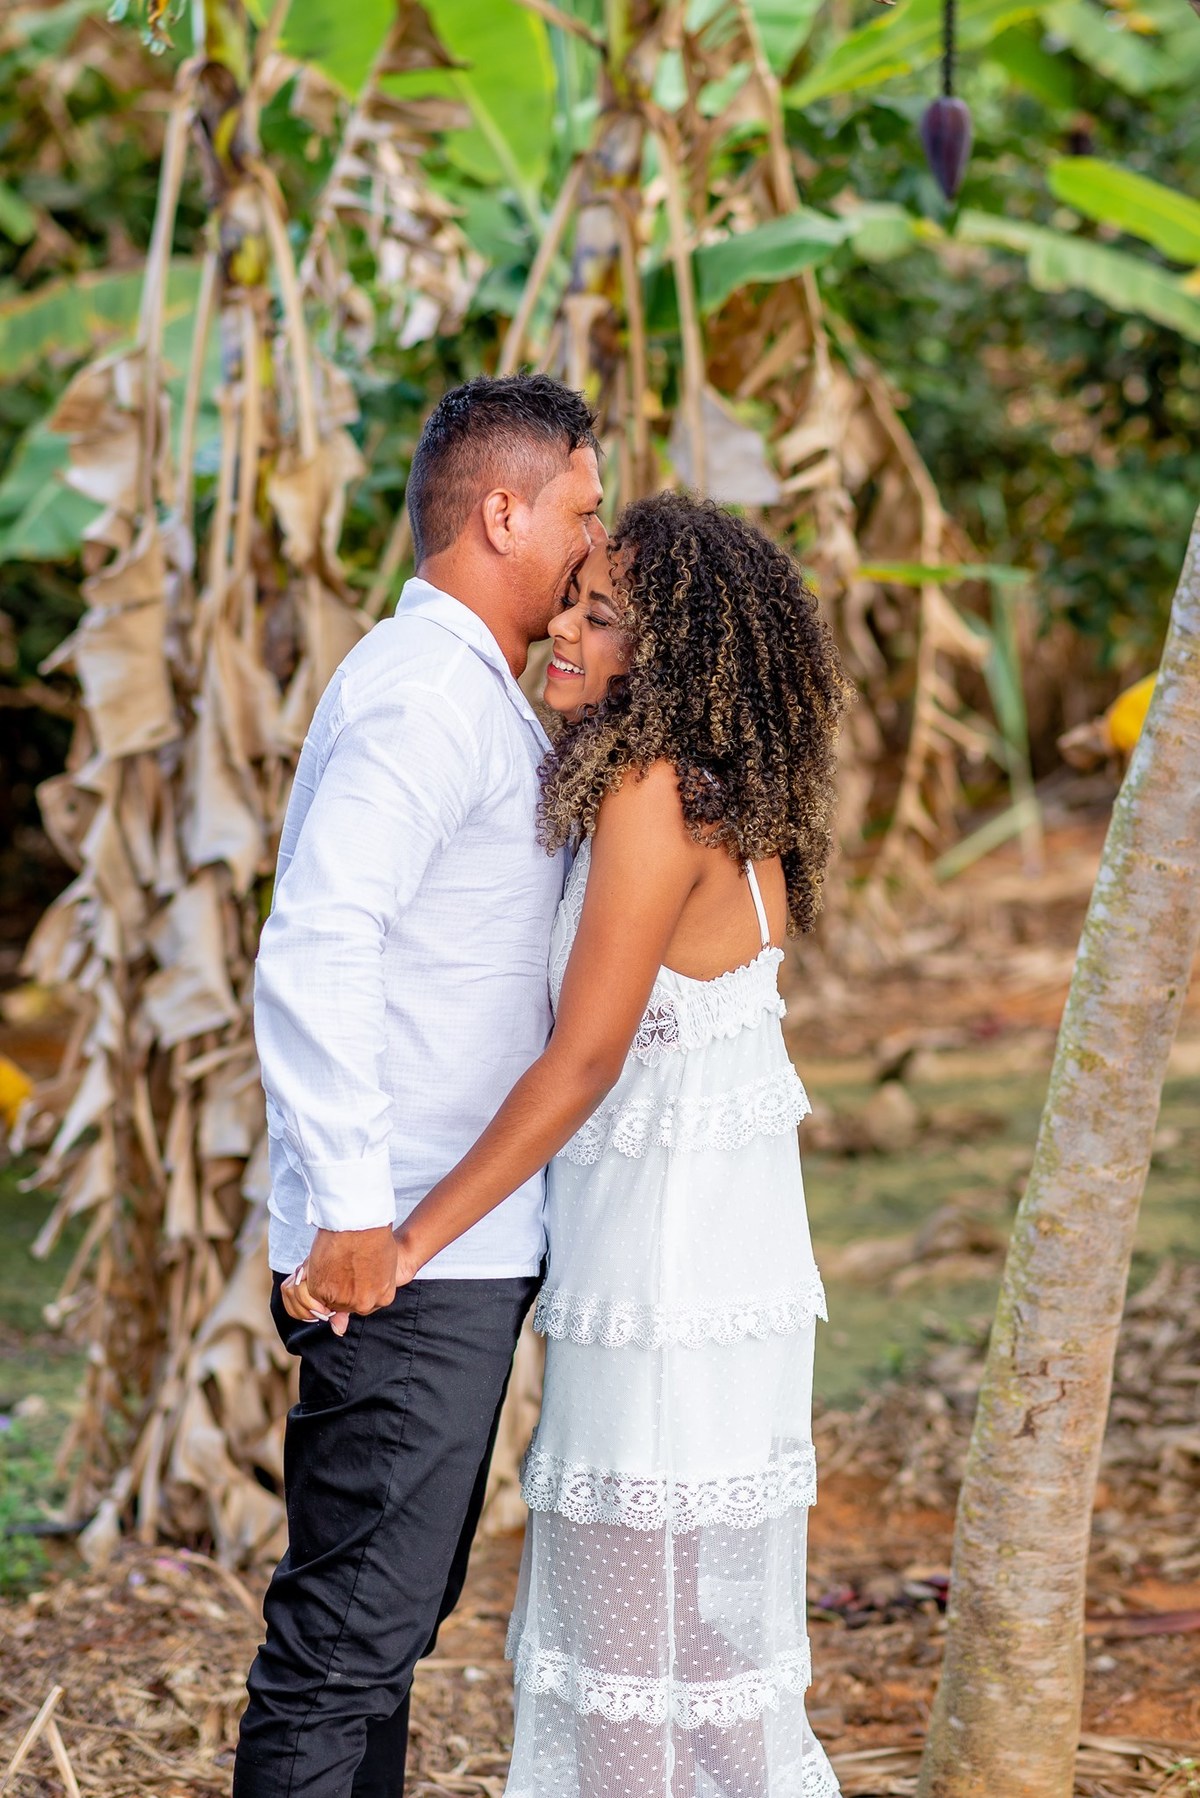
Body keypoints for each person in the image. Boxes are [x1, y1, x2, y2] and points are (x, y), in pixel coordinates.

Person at [288, 492, 850, 1797]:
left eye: (604, 619)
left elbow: (586, 1058)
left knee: (633, 1667)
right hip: (708, 1270)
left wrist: (410, 1237)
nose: (567, 630)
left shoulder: (652, 795)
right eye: (576, 600)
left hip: (663, 1288)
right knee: (690, 1649)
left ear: (674, 654)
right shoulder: (725, 793)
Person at [233, 372, 604, 1798]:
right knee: (341, 1649)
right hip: (400, 1259)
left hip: (440, 1244)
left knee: (378, 1639)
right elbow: (320, 938)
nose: (590, 537)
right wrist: (351, 1210)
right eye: (579, 506)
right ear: (502, 510)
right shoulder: (421, 697)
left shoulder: (466, 691)